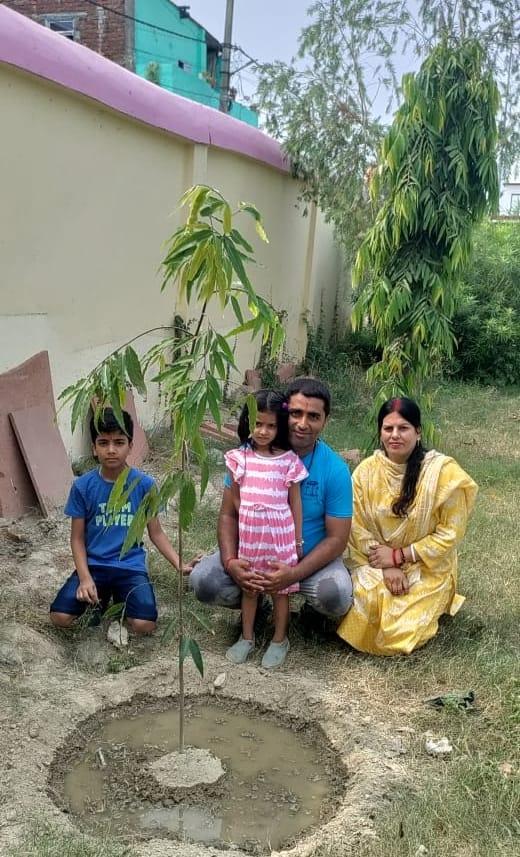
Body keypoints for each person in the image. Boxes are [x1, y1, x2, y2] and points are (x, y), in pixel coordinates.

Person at [190, 377, 354, 636]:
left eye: (313, 416)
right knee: (204, 582)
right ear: (283, 413)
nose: (302, 424)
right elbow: (228, 516)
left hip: (307, 562)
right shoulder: (247, 457)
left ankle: (311, 613)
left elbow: (337, 539)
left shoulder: (335, 469)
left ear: (326, 421)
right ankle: (256, 604)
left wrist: (293, 573)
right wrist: (231, 562)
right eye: (296, 413)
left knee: (336, 595)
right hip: (251, 555)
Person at [337, 397, 478, 656]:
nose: (395, 435)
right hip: (375, 560)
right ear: (380, 432)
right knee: (369, 595)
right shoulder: (366, 472)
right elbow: (355, 525)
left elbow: (450, 533)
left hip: (426, 566)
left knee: (401, 628)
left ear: (418, 432)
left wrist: (400, 555)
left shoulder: (442, 473)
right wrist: (387, 564)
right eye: (388, 428)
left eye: (403, 428)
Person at [50, 407, 181, 635]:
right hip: (94, 566)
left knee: (144, 625)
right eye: (103, 443)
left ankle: (118, 600)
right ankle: (100, 598)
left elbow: (156, 533)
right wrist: (85, 578)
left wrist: (179, 564)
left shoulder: (144, 485)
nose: (111, 450)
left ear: (130, 446)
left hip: (130, 567)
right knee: (60, 617)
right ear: (94, 448)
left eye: (119, 442)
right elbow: (77, 538)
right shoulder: (82, 486)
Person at [224, 390, 308, 668]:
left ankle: (279, 639)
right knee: (250, 587)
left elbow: (295, 502)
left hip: (279, 536)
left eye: (271, 425)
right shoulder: (240, 458)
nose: (263, 431)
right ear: (247, 423)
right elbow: (236, 497)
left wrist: (297, 540)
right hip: (251, 536)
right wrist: (249, 514)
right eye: (257, 424)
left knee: (279, 590)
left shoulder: (288, 461)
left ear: (280, 427)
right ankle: (246, 637)